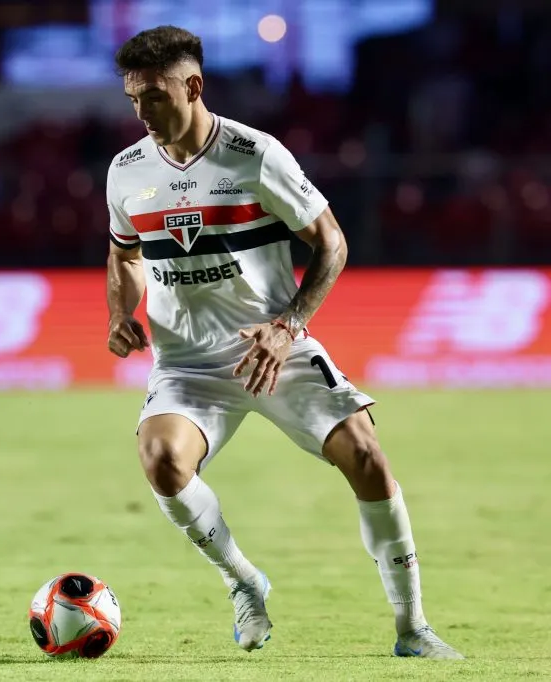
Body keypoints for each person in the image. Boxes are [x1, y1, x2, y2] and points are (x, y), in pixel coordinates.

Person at [104, 26, 463, 660]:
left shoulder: (255, 154)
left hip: (274, 346)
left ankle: (413, 629)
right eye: (133, 98)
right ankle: (243, 582)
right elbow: (124, 254)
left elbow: (332, 243)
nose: (143, 112)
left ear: (193, 86)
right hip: (187, 361)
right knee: (160, 460)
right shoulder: (127, 171)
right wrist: (120, 312)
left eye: (155, 96)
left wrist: (288, 324)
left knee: (367, 456)